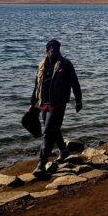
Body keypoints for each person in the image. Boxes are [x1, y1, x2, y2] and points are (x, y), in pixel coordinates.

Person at [30, 39, 83, 174]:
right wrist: (33, 100)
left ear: (60, 50)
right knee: (53, 129)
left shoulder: (65, 64)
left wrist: (78, 100)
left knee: (48, 131)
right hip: (43, 103)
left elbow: (74, 83)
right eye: (51, 48)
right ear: (47, 50)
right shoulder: (42, 64)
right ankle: (64, 150)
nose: (54, 50)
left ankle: (41, 163)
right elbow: (38, 84)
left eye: (57, 48)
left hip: (58, 103)